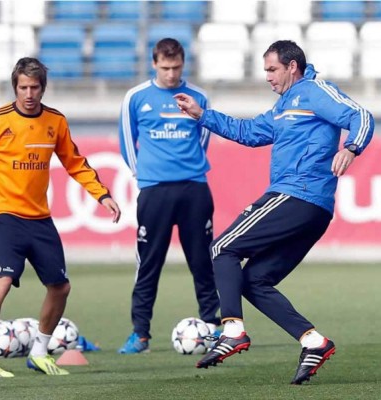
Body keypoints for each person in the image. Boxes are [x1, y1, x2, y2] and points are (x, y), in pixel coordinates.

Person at [175, 40, 374, 384]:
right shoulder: (283, 106)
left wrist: (352, 148)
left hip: (298, 194)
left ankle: (232, 330)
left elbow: (361, 116)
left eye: (271, 69)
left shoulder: (314, 91)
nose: (267, 77)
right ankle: (313, 341)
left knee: (222, 249)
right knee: (253, 280)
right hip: (311, 208)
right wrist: (202, 115)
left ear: (292, 66)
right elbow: (249, 132)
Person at [0, 57, 121, 377]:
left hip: (40, 219)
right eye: (23, 87)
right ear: (15, 88)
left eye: (34, 87)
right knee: (0, 280)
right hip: (5, 216)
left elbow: (75, 163)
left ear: (43, 88)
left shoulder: (55, 121)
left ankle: (40, 351)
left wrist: (102, 194)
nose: (28, 93)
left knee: (60, 287)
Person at [117, 38, 221, 354]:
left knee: (203, 261)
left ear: (183, 64)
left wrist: (188, 169)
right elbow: (126, 140)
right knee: (149, 263)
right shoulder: (136, 97)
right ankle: (140, 335)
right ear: (154, 64)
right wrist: (144, 177)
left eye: (176, 68)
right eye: (165, 68)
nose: (171, 74)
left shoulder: (198, 96)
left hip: (194, 189)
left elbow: (203, 136)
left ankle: (213, 329)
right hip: (155, 192)